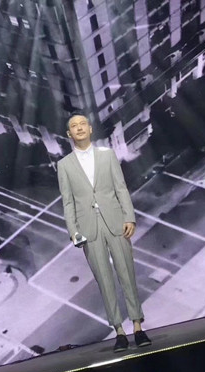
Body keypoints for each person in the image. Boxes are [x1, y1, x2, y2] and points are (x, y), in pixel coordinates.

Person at [56, 112, 152, 353]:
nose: (79, 128)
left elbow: (121, 188)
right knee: (104, 280)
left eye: (82, 124)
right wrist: (73, 231)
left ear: (90, 129)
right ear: (69, 134)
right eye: (74, 126)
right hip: (89, 229)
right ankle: (119, 332)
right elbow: (67, 202)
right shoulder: (64, 165)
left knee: (127, 273)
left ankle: (138, 327)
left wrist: (129, 217)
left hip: (116, 222)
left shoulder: (107, 155)